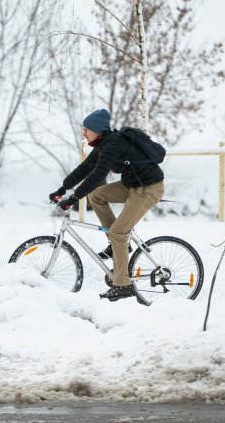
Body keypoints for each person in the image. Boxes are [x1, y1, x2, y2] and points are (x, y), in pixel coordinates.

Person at [49, 109, 164, 306]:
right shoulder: (104, 144)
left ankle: (123, 284)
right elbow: (85, 169)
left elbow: (96, 176)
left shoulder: (113, 144)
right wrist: (63, 188)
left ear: (97, 130)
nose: (84, 134)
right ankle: (118, 243)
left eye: (86, 130)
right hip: (133, 186)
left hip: (148, 189)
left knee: (119, 231)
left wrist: (73, 198)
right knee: (97, 196)